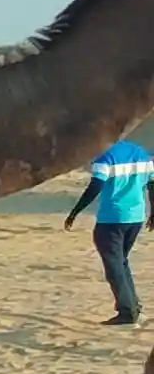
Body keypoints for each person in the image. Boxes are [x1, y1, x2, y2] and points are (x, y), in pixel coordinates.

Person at [72, 138, 151, 327]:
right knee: (121, 261)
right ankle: (133, 305)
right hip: (136, 217)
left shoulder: (105, 155)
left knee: (114, 267)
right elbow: (152, 184)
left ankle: (127, 311)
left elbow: (95, 187)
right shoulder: (141, 152)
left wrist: (75, 212)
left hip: (112, 218)